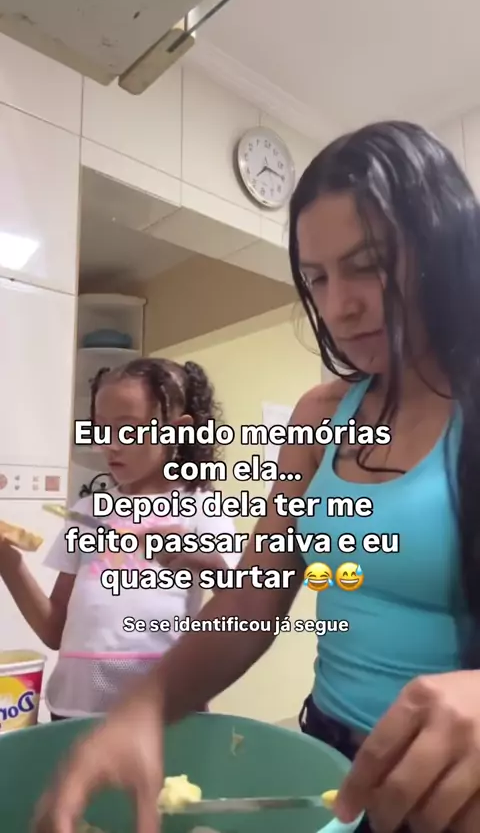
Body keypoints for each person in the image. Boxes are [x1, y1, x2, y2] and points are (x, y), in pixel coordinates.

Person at [33, 121, 480, 833]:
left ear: (443, 248)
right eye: (318, 278)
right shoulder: (321, 414)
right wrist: (143, 708)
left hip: (455, 794)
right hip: (328, 759)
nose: (339, 305)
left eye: (368, 265)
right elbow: (254, 597)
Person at [0, 357, 239, 720]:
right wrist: (8, 562)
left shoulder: (202, 509)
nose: (110, 445)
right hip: (72, 710)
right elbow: (55, 631)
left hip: (161, 714)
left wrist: (202, 560)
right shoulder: (87, 512)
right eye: (101, 429)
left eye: (127, 429)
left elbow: (243, 604)